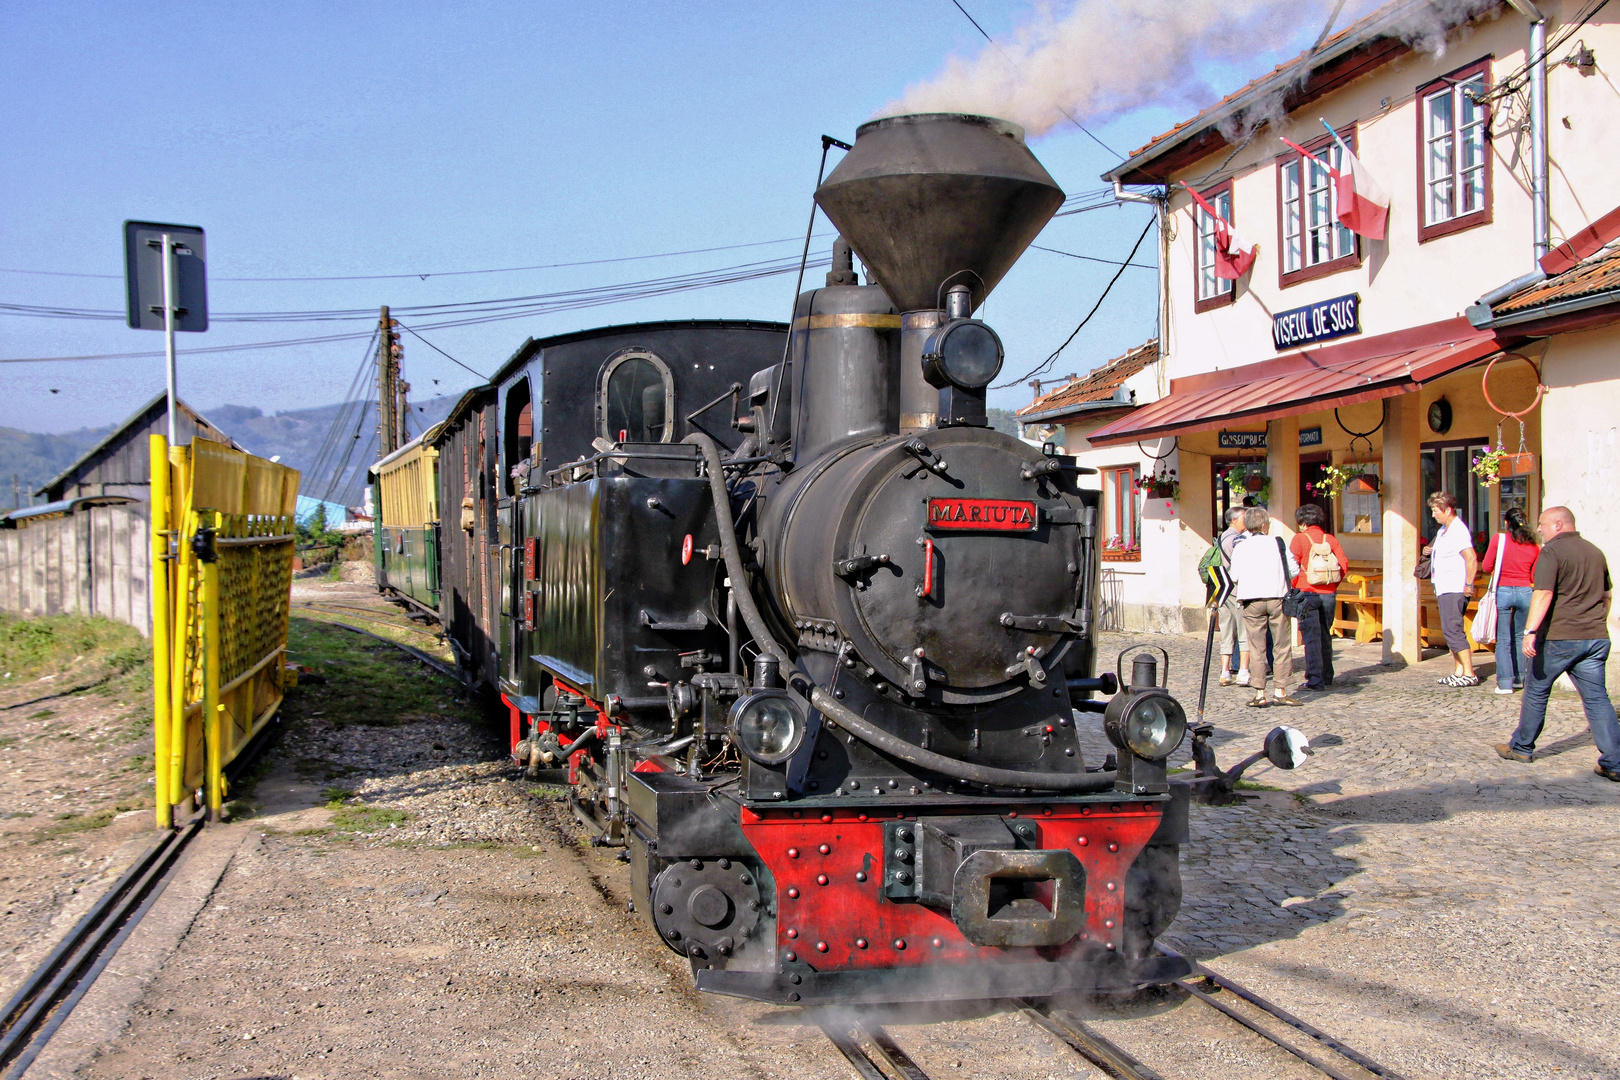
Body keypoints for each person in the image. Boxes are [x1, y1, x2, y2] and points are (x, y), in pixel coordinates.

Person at [1495, 506, 1620, 782]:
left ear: (1559, 524)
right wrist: (1597, 621)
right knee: (1597, 698)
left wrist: (1530, 630)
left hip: (1559, 636)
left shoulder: (1552, 552)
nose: (1539, 529)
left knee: (1536, 690)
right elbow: (1607, 595)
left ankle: (1521, 747)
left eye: (1543, 524)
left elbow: (1543, 593)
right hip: (1594, 636)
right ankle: (1614, 762)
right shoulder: (1594, 551)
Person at [1228, 507, 1301, 708]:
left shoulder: (1241, 547)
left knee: (1256, 646)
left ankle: (1260, 692)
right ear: (1265, 524)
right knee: (1281, 645)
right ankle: (1281, 690)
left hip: (1251, 599)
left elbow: (1234, 576)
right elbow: (1294, 570)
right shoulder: (1278, 543)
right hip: (1277, 596)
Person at [1289, 503, 1349, 691]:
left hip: (1307, 592)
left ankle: (1314, 679)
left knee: (1310, 636)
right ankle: (1327, 675)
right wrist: (1332, 585)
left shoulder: (1299, 539)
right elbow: (1343, 564)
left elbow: (1292, 567)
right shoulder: (1330, 539)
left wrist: (1295, 588)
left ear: (1303, 522)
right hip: (1328, 593)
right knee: (1325, 633)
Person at [1481, 506, 1540, 694]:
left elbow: (1486, 565)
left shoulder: (1500, 539)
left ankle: (1505, 683)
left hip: (1503, 590)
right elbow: (1534, 575)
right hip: (1525, 591)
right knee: (1520, 636)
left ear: (1506, 522)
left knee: (1503, 639)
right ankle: (1520, 678)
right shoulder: (1534, 544)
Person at [1425, 492, 1479, 687]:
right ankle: (1459, 671)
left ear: (1447, 510)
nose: (1433, 515)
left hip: (1455, 587)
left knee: (1454, 630)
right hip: (1443, 586)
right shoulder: (1443, 531)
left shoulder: (1458, 530)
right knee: (1449, 631)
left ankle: (1470, 672)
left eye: (1435, 511)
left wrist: (1468, 583)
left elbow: (1471, 558)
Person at [1217, 507, 1251, 686]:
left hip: (1224, 589)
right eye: (1244, 517)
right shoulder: (1238, 539)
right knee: (1243, 630)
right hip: (1238, 589)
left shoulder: (1221, 537)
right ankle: (1243, 671)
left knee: (1226, 631)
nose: (1247, 520)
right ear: (1234, 520)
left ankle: (1225, 671)